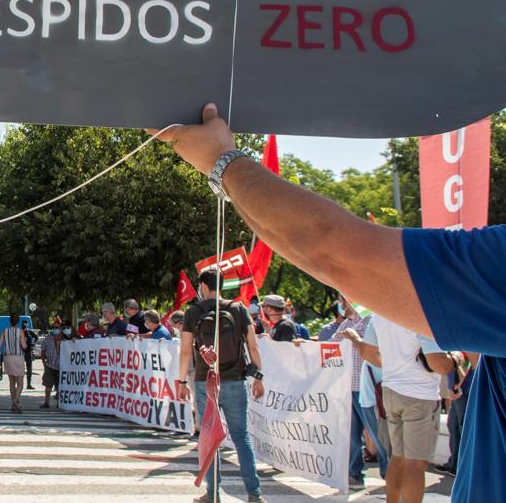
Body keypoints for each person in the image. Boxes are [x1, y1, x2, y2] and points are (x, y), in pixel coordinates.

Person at [153, 102, 506, 503]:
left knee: (402, 463)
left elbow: (329, 248)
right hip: (403, 394)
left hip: (394, 393)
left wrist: (221, 161)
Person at [177, 270, 267, 503]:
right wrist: (258, 376)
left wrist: (181, 381)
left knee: (209, 438)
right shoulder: (238, 309)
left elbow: (186, 349)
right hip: (235, 379)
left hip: (205, 381)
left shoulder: (193, 312)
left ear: (203, 286)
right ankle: (254, 493)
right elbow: (253, 346)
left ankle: (213, 493)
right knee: (241, 436)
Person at [346, 314, 455, 503]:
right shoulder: (419, 314)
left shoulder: (379, 314)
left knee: (398, 457)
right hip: (419, 395)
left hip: (391, 391)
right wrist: (457, 360)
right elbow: (439, 364)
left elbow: (368, 353)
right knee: (416, 463)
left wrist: (392, 365)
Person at [328, 297, 377, 489]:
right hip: (348, 388)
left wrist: (354, 339)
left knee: (376, 433)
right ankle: (354, 473)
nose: (341, 304)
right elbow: (329, 349)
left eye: (343, 300)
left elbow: (372, 351)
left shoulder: (371, 321)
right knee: (351, 435)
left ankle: (389, 470)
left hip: (367, 388)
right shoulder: (347, 324)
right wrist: (303, 346)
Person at [0, 312, 28, 413]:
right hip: (18, 357)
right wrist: (25, 341)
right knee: (20, 382)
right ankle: (16, 400)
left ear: (10, 320)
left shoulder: (5, 331)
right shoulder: (21, 332)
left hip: (8, 358)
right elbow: (24, 346)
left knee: (11, 382)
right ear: (18, 321)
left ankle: (13, 405)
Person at [40, 326, 62, 409]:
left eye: (57, 327)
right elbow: (43, 351)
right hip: (50, 365)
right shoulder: (48, 338)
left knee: (60, 386)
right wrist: (43, 362)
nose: (56, 329)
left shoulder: (63, 339)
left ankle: (59, 403)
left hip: (60, 366)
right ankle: (46, 402)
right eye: (55, 327)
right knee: (48, 386)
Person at [21, 319, 38, 390]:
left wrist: (33, 344)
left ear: (27, 325)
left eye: (25, 324)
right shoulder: (19, 332)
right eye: (23, 324)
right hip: (21, 352)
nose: (24, 325)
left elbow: (36, 337)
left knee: (29, 369)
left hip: (28, 352)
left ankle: (28, 384)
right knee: (20, 369)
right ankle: (20, 384)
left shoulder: (30, 332)